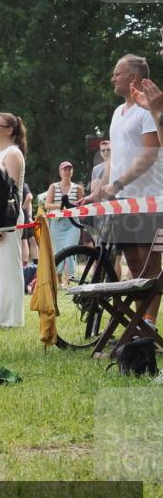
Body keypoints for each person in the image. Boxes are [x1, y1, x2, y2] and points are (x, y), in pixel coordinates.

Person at [86, 55, 163, 326]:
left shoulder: (148, 111)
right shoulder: (117, 112)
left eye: (117, 73)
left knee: (150, 263)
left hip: (150, 200)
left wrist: (118, 184)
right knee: (133, 263)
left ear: (133, 77)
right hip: (123, 201)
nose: (113, 78)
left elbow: (149, 156)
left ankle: (148, 323)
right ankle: (139, 324)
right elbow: (114, 159)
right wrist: (100, 189)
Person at [0, 111, 28, 328]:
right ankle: (4, 315)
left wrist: (3, 222)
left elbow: (11, 193)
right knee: (1, 269)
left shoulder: (13, 154)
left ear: (10, 130)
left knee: (10, 267)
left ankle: (13, 318)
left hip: (8, 216)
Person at [44, 161, 84, 285]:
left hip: (73, 223)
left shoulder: (78, 188)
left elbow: (82, 206)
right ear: (60, 172)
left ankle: (69, 279)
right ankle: (59, 280)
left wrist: (72, 208)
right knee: (59, 251)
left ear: (72, 172)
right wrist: (62, 206)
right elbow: (47, 205)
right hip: (57, 223)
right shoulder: (53, 187)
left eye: (69, 169)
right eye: (64, 169)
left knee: (70, 249)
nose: (67, 172)